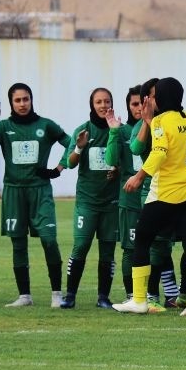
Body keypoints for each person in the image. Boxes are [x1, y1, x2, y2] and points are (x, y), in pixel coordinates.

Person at [113, 77, 186, 316]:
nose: (150, 100)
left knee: (142, 239)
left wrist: (138, 176)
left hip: (166, 193)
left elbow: (158, 153)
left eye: (155, 96)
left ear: (162, 98)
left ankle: (138, 300)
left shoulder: (161, 121)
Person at [0, 82, 70, 308]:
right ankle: (25, 296)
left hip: (40, 192)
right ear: (11, 103)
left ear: (32, 100)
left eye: (26, 99)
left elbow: (71, 144)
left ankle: (56, 295)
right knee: (18, 243)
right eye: (17, 100)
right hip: (13, 192)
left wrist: (58, 169)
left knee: (49, 240)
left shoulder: (46, 125)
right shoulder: (3, 127)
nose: (22, 104)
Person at [58, 87, 120, 309]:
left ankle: (103, 297)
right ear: (92, 105)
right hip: (87, 202)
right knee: (81, 245)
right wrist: (79, 147)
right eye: (99, 102)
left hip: (111, 203)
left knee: (107, 250)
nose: (103, 106)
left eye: (107, 101)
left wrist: (119, 171)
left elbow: (127, 161)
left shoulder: (119, 130)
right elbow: (71, 163)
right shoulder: (83, 130)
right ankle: (70, 295)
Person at [123, 78, 182, 311]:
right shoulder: (144, 124)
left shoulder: (175, 120)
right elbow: (136, 149)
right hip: (151, 190)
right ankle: (150, 296)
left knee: (165, 245)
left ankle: (171, 294)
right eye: (153, 95)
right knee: (153, 243)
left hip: (176, 188)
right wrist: (148, 122)